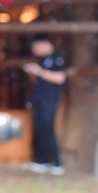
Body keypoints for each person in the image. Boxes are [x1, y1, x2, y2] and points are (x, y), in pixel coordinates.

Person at [23, 33, 67, 175]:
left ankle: (57, 163)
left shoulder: (56, 58)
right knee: (41, 128)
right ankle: (43, 161)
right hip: (41, 98)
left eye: (36, 46)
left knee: (48, 128)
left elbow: (60, 78)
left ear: (45, 43)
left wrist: (39, 71)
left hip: (50, 99)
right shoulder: (42, 60)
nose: (35, 50)